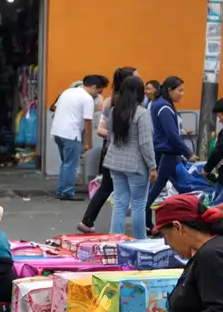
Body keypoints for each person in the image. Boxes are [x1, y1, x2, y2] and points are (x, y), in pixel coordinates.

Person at [80, 67, 138, 233]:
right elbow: (101, 130)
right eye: (136, 77)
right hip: (118, 152)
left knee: (109, 188)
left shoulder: (119, 101)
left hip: (113, 152)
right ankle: (134, 227)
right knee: (125, 189)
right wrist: (120, 135)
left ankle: (88, 221)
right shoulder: (114, 102)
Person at [104, 75, 157, 238]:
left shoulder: (115, 111)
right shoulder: (142, 113)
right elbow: (145, 143)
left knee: (120, 203)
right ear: (139, 93)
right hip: (136, 165)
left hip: (115, 162)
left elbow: (110, 135)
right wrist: (152, 166)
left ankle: (115, 239)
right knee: (138, 204)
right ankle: (140, 240)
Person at [146, 76, 193, 233]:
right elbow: (172, 134)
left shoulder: (162, 105)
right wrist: (188, 153)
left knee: (182, 187)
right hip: (166, 153)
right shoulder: (164, 108)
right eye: (180, 90)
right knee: (157, 189)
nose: (182, 94)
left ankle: (192, 218)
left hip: (168, 153)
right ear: (169, 90)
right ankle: (146, 222)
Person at [51, 74, 108, 200]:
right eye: (99, 91)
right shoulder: (87, 98)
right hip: (71, 134)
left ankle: (61, 190)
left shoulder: (67, 92)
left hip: (57, 132)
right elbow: (87, 121)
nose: (98, 94)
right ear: (93, 87)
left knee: (65, 163)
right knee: (71, 164)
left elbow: (56, 108)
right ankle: (67, 192)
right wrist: (89, 142)